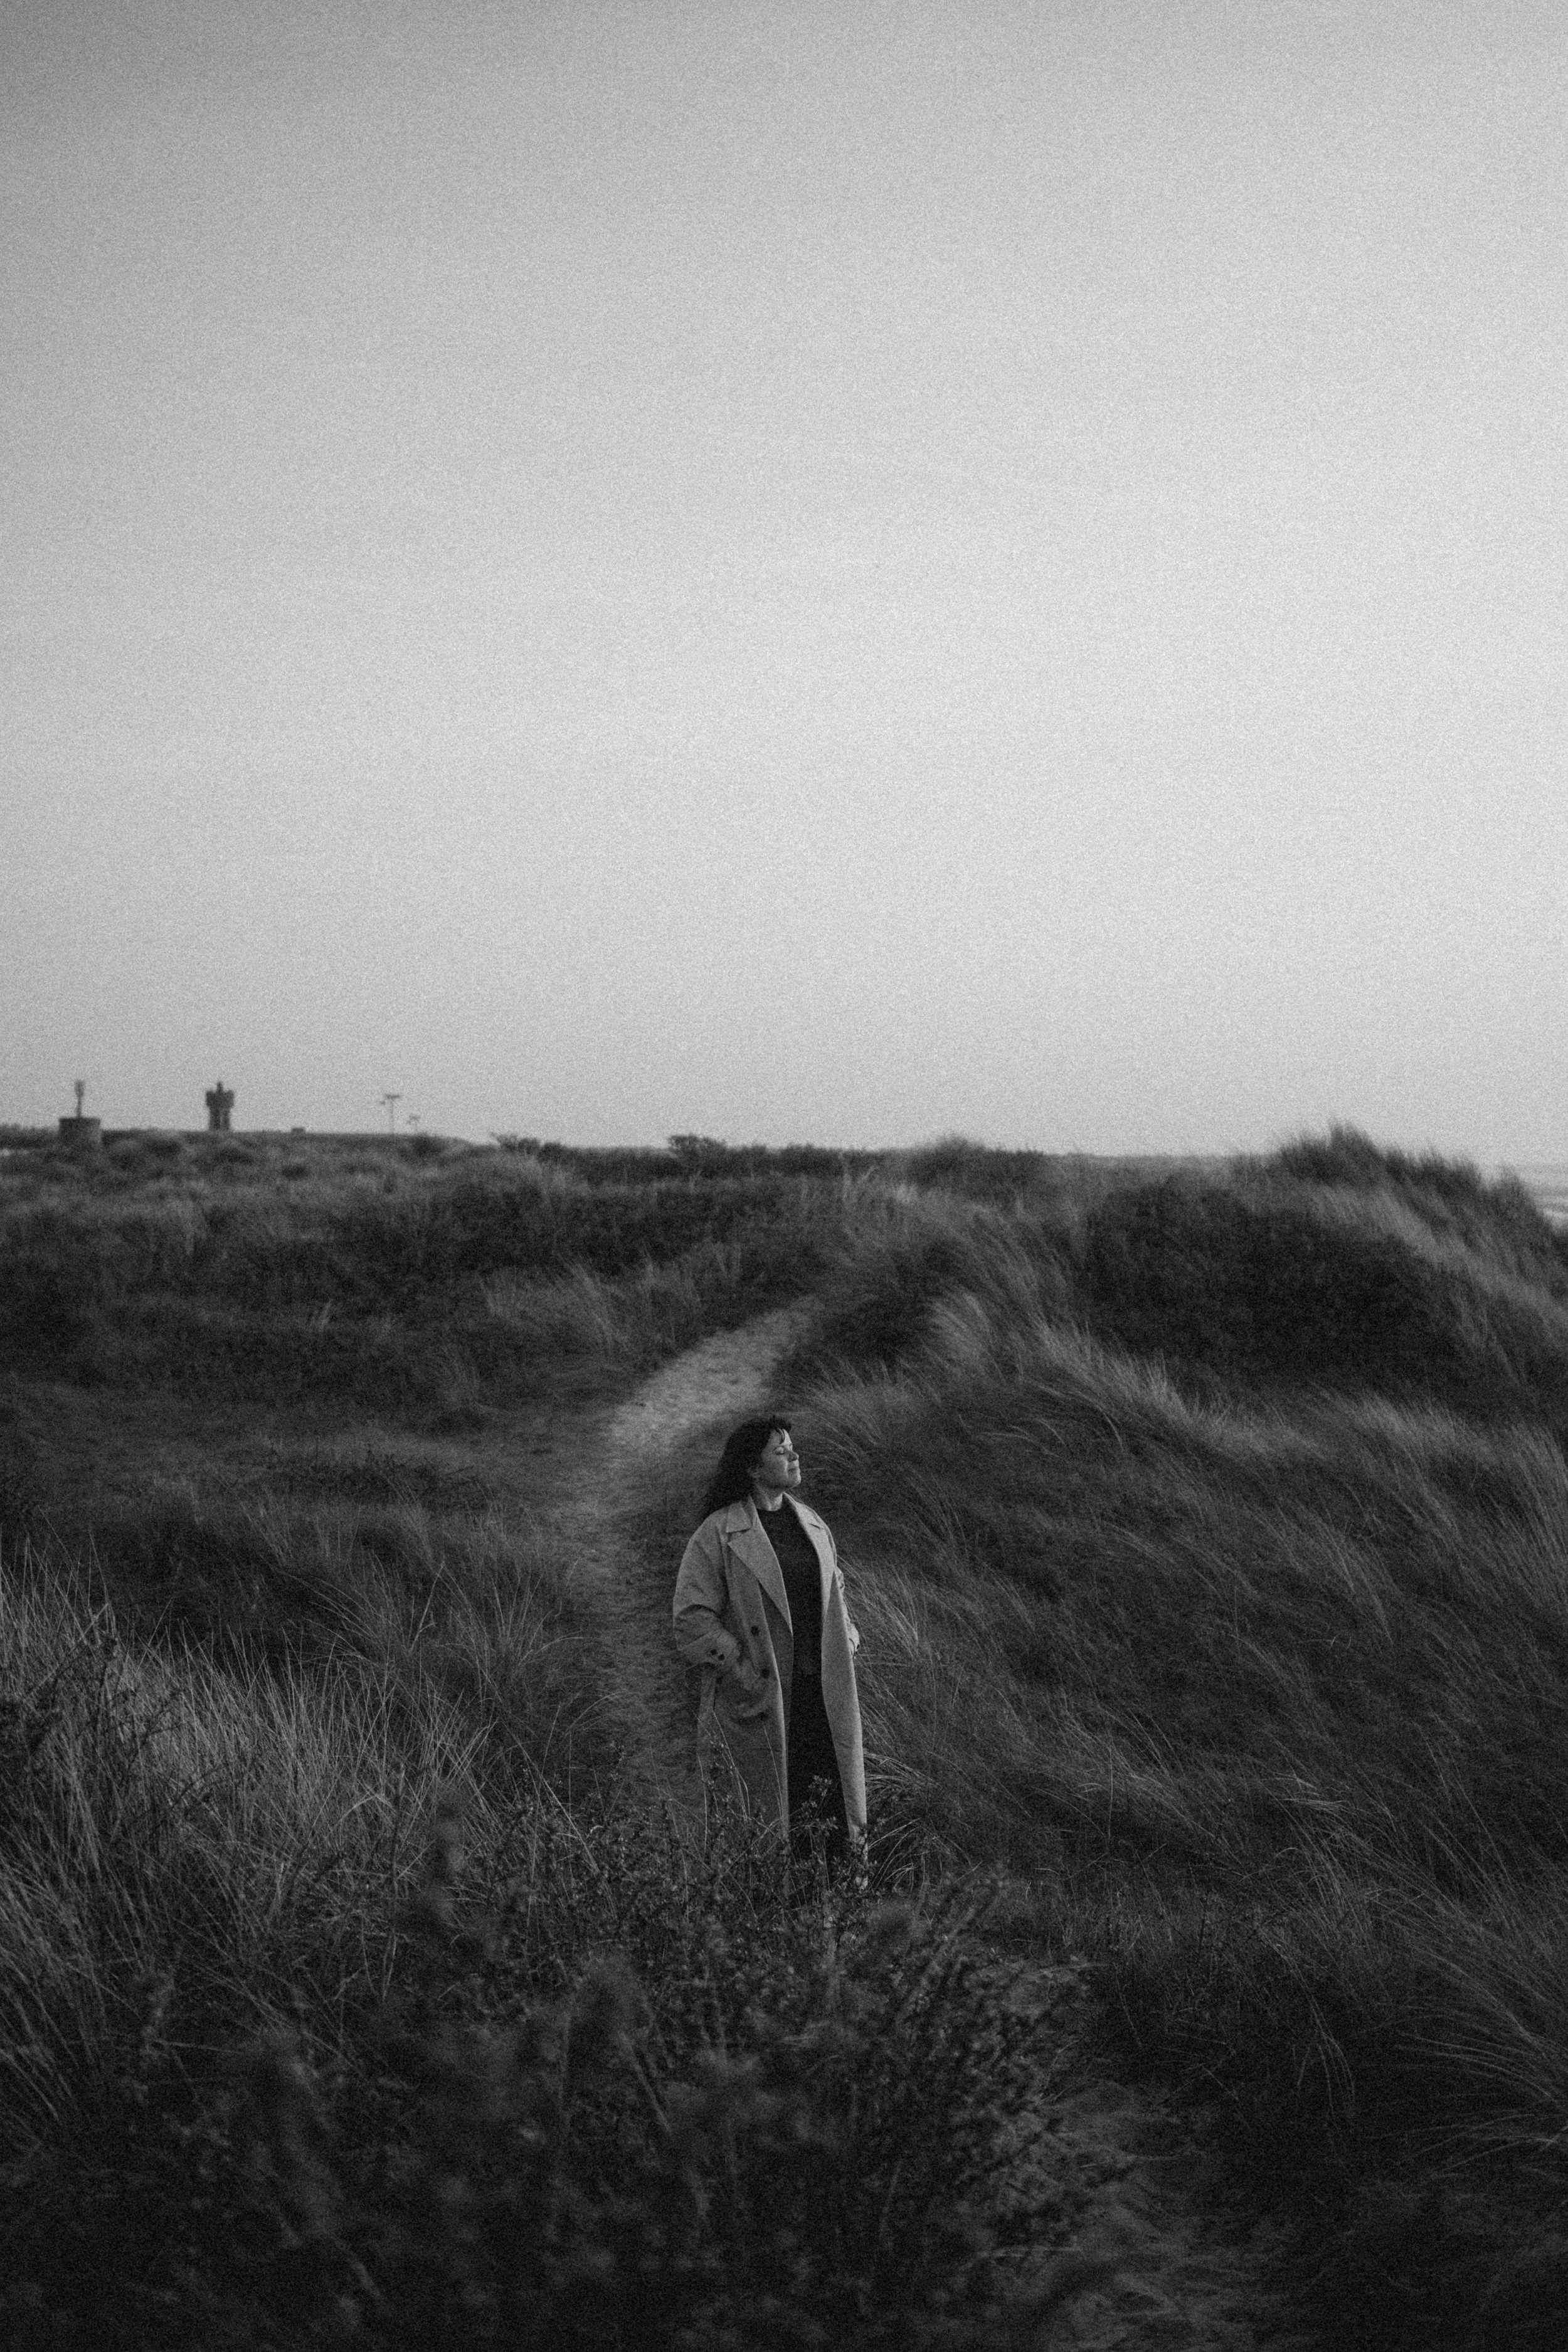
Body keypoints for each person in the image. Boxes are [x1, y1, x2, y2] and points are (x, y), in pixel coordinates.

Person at [672, 1416, 866, 1865]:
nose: (794, 1456)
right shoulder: (717, 1533)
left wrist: (848, 1640)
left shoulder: (812, 1524)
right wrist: (743, 1672)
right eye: (780, 1452)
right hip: (763, 1699)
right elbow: (691, 1620)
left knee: (832, 1810)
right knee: (768, 1818)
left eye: (792, 1447)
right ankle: (770, 1904)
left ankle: (834, 1900)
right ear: (752, 1469)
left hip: (822, 1696)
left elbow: (835, 1590)